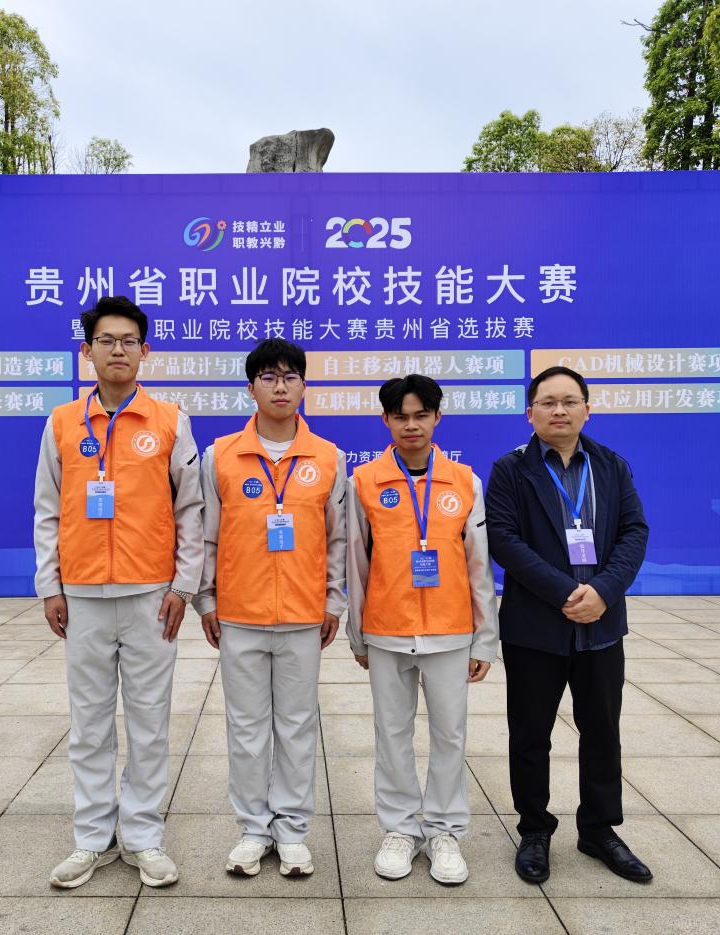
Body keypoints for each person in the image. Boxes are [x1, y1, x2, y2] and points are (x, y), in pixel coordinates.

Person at [34, 295, 203, 890]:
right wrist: (50, 585)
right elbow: (47, 510)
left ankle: (143, 836)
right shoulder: (61, 423)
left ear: (145, 351)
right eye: (106, 340)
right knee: (89, 725)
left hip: (150, 594)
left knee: (150, 723)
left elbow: (191, 508)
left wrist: (184, 585)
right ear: (87, 351)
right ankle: (92, 838)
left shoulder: (169, 421)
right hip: (82, 594)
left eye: (129, 341)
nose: (118, 350)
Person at [485, 365, 651, 885]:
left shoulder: (611, 465)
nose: (559, 411)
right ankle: (534, 829)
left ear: (587, 409)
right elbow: (504, 540)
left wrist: (603, 591)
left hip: (601, 624)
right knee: (530, 734)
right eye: (548, 402)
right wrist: (564, 592)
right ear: (529, 412)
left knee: (601, 731)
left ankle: (599, 829)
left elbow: (634, 532)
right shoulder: (510, 470)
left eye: (570, 401)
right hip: (535, 627)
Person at [195, 338, 346, 879]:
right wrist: (206, 598)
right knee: (246, 728)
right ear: (251, 387)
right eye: (269, 377)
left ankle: (293, 830)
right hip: (239, 614)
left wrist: (333, 600)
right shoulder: (219, 456)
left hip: (304, 615)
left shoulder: (328, 457)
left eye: (290, 377)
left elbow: (338, 539)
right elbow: (206, 535)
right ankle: (253, 830)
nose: (280, 387)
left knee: (298, 726)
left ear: (304, 386)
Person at [346, 374, 498, 886]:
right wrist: (358, 633)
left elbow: (479, 565)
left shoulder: (465, 482)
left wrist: (485, 639)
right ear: (386, 420)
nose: (411, 425)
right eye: (401, 417)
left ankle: (444, 831)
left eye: (421, 415)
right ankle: (399, 829)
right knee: (392, 733)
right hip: (387, 628)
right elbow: (356, 565)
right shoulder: (364, 482)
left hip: (451, 630)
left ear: (437, 418)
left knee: (449, 733)